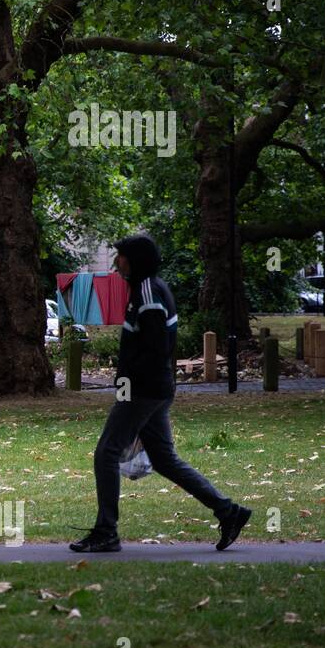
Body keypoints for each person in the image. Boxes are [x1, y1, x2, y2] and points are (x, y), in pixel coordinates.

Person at [70, 234, 252, 553]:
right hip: (154, 388)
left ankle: (106, 532)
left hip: (143, 391)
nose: (116, 262)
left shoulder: (147, 293)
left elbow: (156, 349)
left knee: (106, 453)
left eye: (121, 257)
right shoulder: (150, 289)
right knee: (165, 460)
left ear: (135, 260)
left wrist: (128, 385)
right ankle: (228, 511)